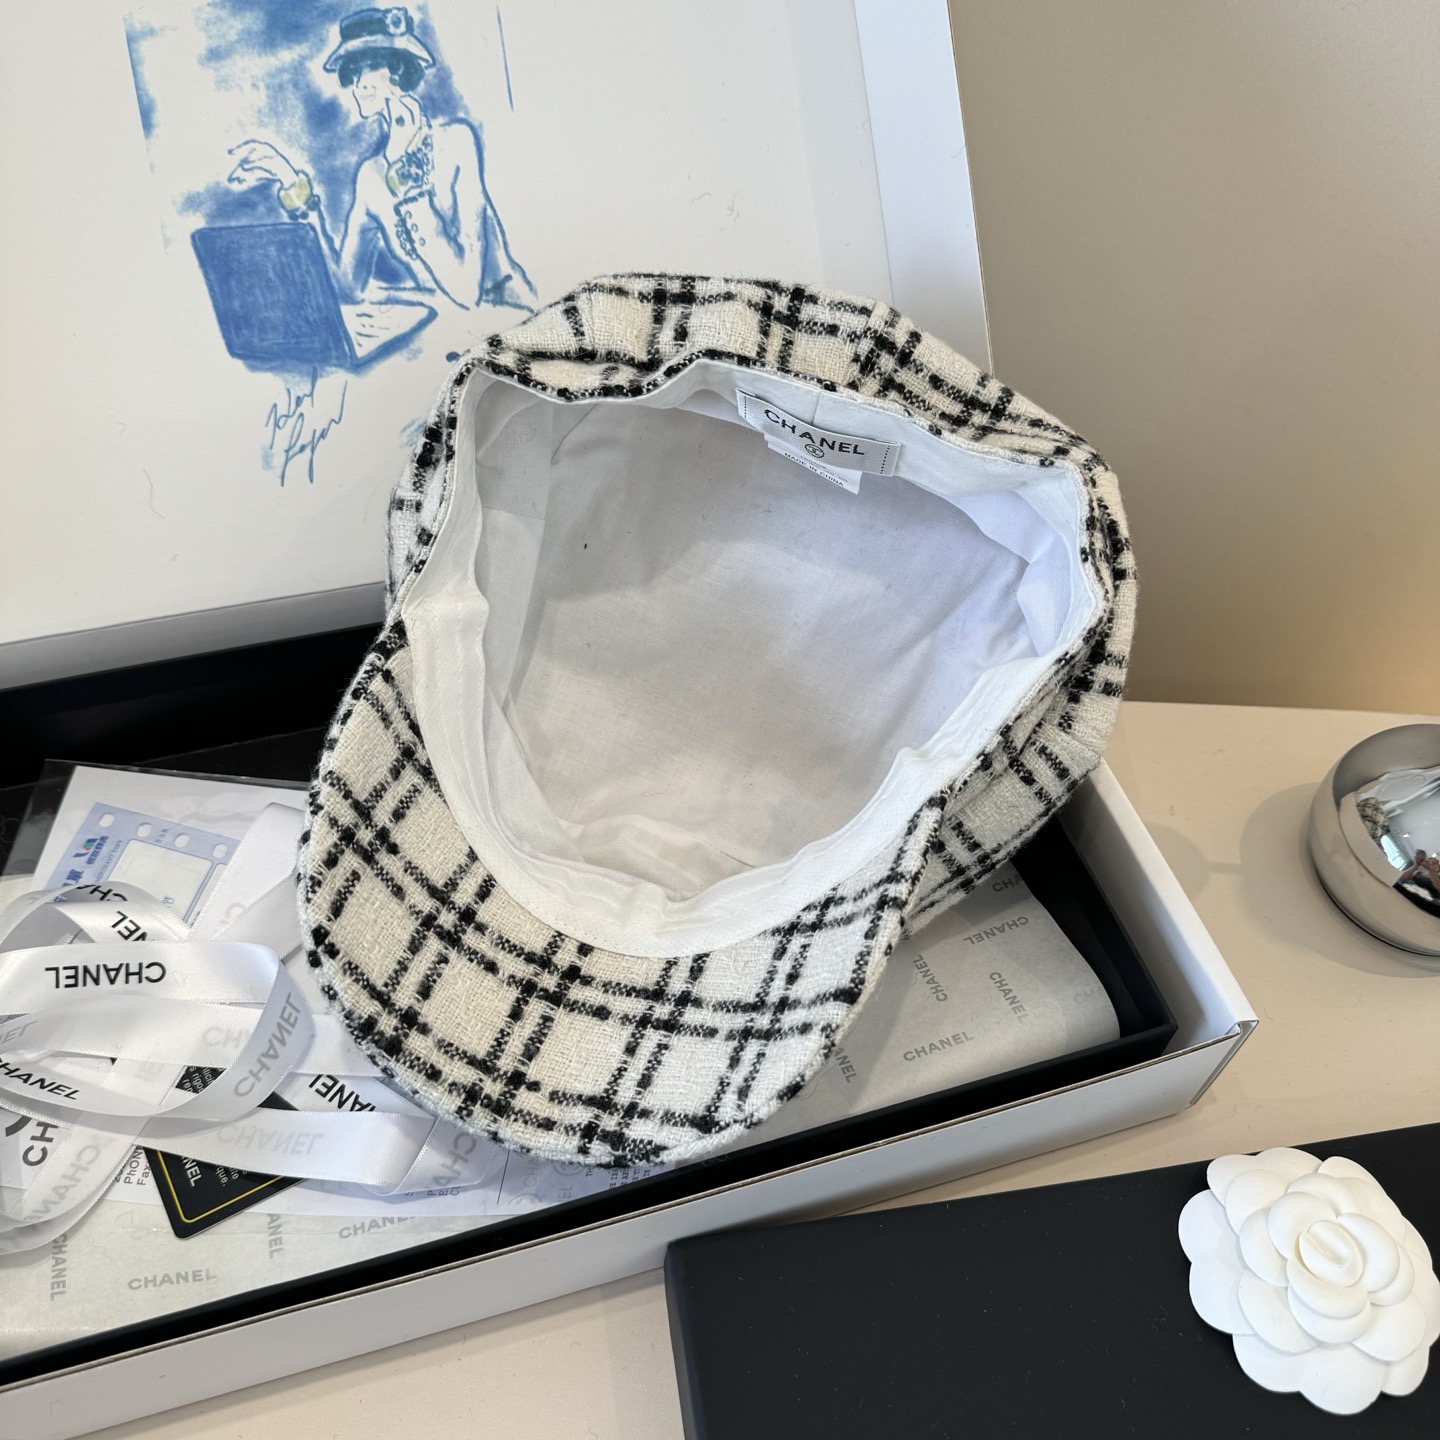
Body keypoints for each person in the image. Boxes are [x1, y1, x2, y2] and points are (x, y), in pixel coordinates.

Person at [226, 6, 535, 312]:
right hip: (447, 326)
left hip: (509, 315)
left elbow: (467, 291)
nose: (359, 83)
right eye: (353, 72)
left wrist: (404, 173)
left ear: (399, 69)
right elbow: (347, 287)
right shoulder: (370, 176)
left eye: (372, 65)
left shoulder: (457, 141)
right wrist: (292, 183)